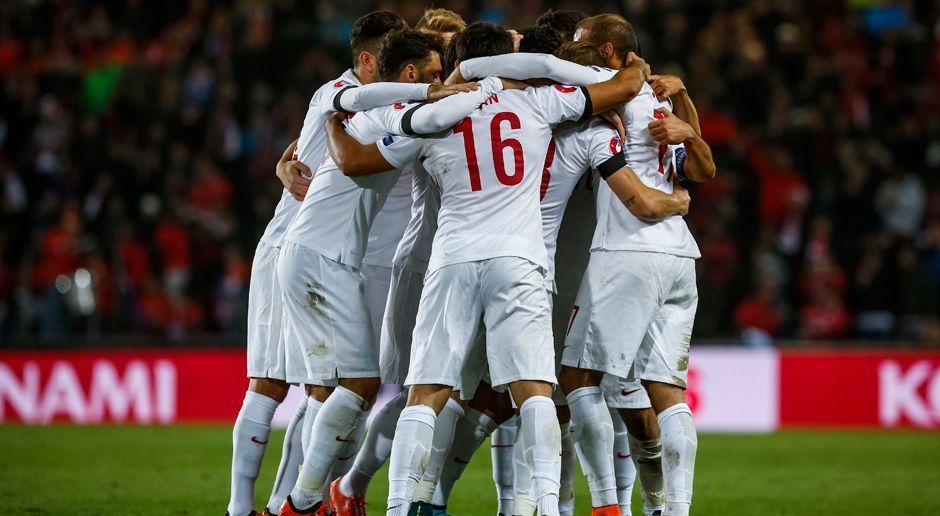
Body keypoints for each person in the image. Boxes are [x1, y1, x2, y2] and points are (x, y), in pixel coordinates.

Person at [275, 29, 507, 516]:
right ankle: (303, 501)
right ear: (409, 74)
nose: (443, 79)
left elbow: (348, 138)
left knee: (349, 386)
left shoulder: (367, 110)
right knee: (358, 385)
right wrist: (485, 87)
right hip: (322, 257)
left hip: (322, 256)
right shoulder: (397, 117)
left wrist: (336, 129)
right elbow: (358, 160)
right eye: (434, 72)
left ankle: (302, 500)